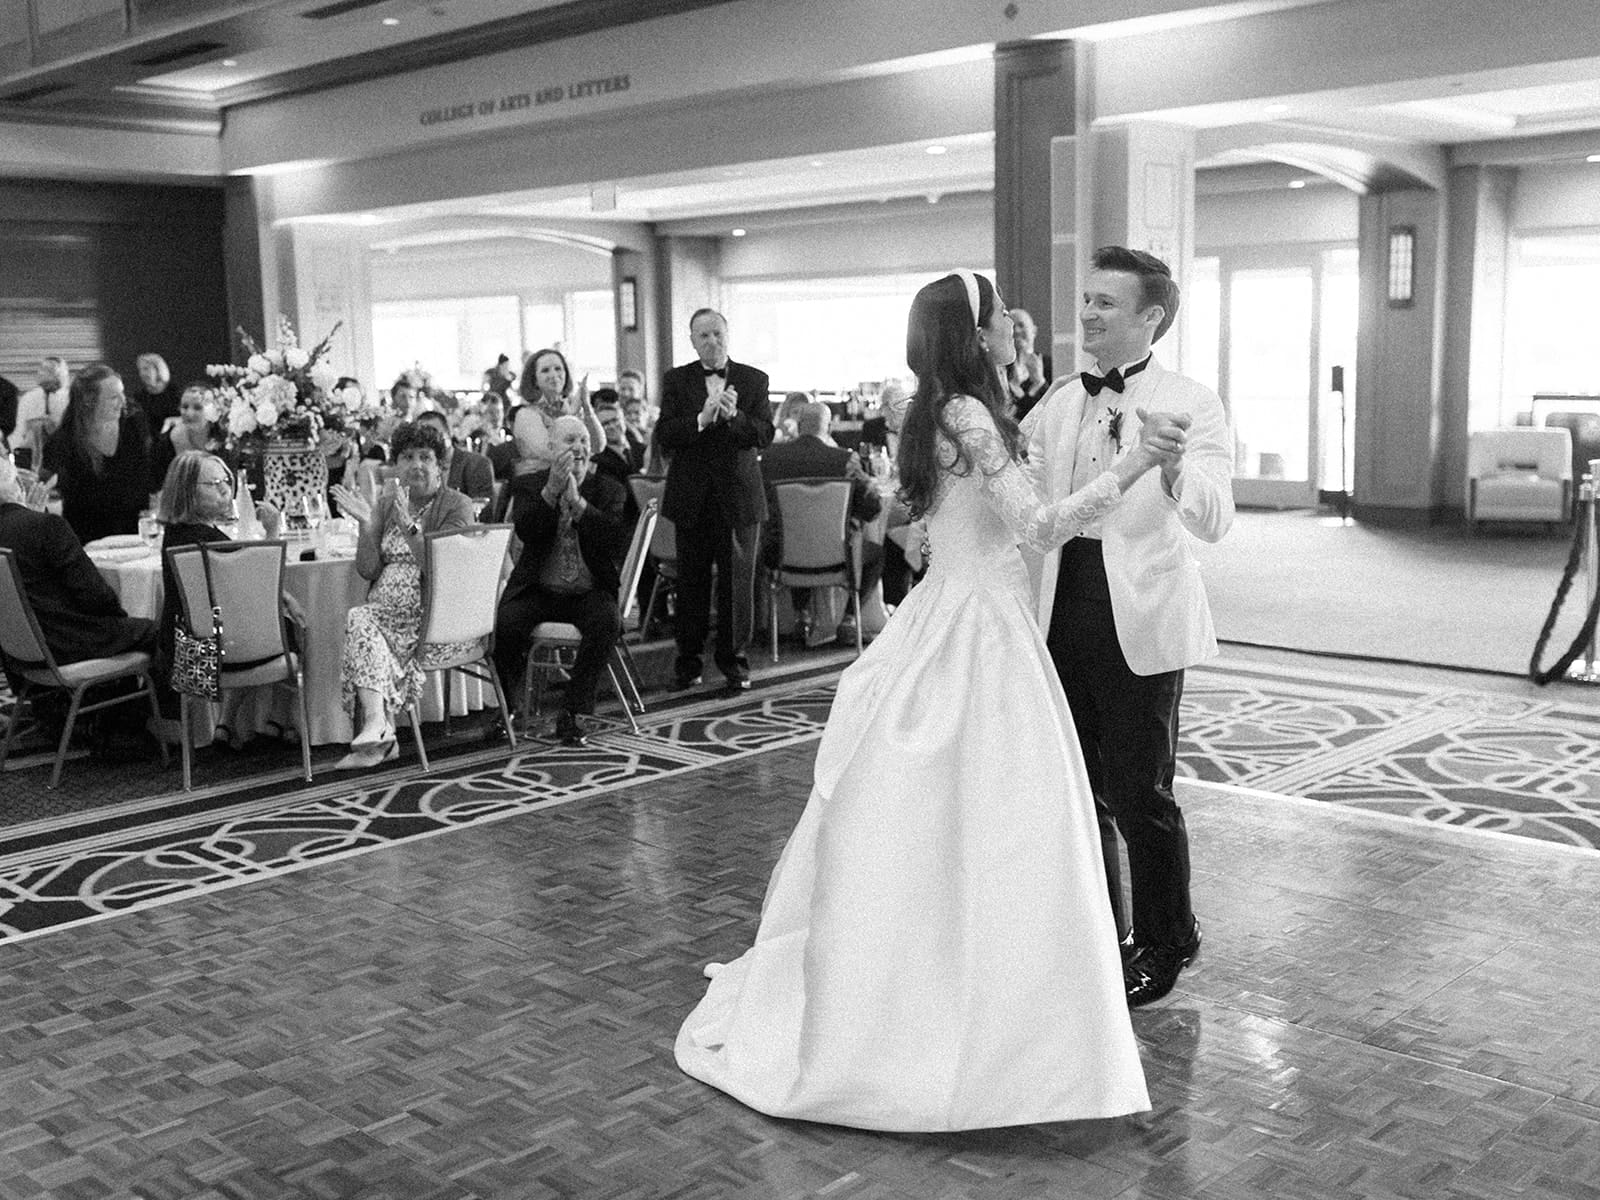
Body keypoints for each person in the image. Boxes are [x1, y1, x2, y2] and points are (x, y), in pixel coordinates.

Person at [676, 271, 1183, 1130]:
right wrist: (1136, 462)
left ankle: (942, 981)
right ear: (972, 331)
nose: (1011, 331)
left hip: (957, 612)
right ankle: (975, 1009)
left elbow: (929, 526)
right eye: (997, 319)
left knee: (950, 818)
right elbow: (1041, 527)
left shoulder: (938, 408)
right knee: (997, 815)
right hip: (979, 633)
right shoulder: (968, 415)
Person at [1021, 245, 1235, 1008]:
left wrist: (1176, 470)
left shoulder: (1193, 399)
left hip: (1138, 609)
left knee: (1140, 787)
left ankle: (1169, 937)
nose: (1086, 314)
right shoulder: (1055, 399)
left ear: (1150, 317)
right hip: (1057, 607)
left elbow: (1216, 518)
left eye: (1105, 303)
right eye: (1085, 300)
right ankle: (1098, 930)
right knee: (1078, 787)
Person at [329, 421, 476, 770]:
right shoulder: (386, 503)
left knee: (361, 620)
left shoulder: (457, 505)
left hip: (433, 616)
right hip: (385, 611)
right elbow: (368, 569)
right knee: (362, 618)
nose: (416, 465)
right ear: (395, 464)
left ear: (441, 465)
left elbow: (444, 571)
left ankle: (380, 730)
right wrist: (368, 526)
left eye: (425, 457)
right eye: (407, 457)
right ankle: (379, 727)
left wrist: (409, 524)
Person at [656, 308, 774, 692]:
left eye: (717, 334)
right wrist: (702, 419)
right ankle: (687, 662)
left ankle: (734, 662)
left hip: (738, 497)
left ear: (728, 335)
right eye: (703, 335)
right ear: (692, 340)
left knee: (738, 585)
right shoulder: (677, 380)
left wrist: (735, 415)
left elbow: (764, 434)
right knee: (690, 584)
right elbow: (666, 435)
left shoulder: (754, 380)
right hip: (692, 496)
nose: (712, 341)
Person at [492, 416, 627, 748]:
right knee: (507, 621)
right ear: (551, 449)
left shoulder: (609, 488)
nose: (578, 448)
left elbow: (613, 540)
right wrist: (552, 492)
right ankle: (508, 708)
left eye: (584, 441)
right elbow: (526, 531)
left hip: (589, 590)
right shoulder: (528, 485)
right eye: (569, 441)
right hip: (539, 588)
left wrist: (579, 504)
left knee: (606, 622)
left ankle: (574, 712)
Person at [152, 451, 285, 748]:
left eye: (225, 479)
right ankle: (274, 719)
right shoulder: (210, 543)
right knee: (292, 628)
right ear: (186, 491)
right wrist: (273, 531)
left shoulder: (177, 536)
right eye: (213, 483)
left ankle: (226, 722)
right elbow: (262, 584)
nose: (226, 489)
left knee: (243, 627)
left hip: (189, 655)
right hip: (220, 657)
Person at [0, 455, 155, 675]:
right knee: (160, 631)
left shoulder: (32, 525)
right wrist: (118, 617)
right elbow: (96, 595)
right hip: (68, 645)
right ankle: (151, 709)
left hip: (17, 653)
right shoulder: (45, 526)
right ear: (17, 485)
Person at [760, 401, 884, 646]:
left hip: (781, 556)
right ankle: (849, 619)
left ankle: (800, 616)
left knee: (795, 534)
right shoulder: (845, 459)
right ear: (827, 427)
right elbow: (871, 509)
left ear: (799, 425)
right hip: (839, 557)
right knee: (876, 552)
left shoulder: (772, 457)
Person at [41, 364, 153, 546]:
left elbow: (149, 477)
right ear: (89, 400)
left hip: (134, 538)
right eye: (114, 397)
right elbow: (48, 491)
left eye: (122, 393)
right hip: (86, 540)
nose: (123, 401)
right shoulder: (63, 442)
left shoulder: (135, 426)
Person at [509, 348, 605, 473]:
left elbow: (598, 446)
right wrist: (571, 415)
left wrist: (587, 407)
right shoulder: (526, 415)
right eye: (545, 370)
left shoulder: (571, 409)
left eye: (558, 369)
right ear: (535, 380)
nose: (553, 375)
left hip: (577, 477)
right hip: (540, 482)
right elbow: (549, 452)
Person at [149, 383, 229, 496]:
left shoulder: (226, 440)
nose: (189, 413)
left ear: (212, 410)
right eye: (185, 407)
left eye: (197, 408)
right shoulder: (167, 441)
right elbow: (157, 483)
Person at [413, 409, 494, 503]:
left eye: (434, 433)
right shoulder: (417, 469)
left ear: (449, 433)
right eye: (422, 436)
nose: (429, 441)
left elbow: (480, 511)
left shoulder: (476, 464)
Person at [9, 357, 71, 469]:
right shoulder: (29, 398)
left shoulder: (70, 400)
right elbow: (18, 432)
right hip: (28, 457)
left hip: (63, 456)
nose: (41, 373)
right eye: (42, 369)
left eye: (49, 370)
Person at [1005, 307, 1052, 420]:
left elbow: (1052, 408)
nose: (1016, 331)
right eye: (1012, 327)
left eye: (1021, 325)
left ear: (1034, 331)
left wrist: (1040, 383)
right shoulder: (1001, 368)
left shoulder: (1050, 365)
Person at [131, 353, 178, 432]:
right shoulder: (139, 396)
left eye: (146, 369)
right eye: (140, 370)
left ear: (158, 369)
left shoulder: (175, 392)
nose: (142, 373)